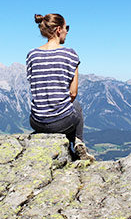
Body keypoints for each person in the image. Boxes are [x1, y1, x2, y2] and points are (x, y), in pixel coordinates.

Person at [26, 13, 94, 161]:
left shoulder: (32, 55)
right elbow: (73, 93)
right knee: (76, 106)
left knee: (66, 110)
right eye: (66, 27)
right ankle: (78, 142)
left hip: (36, 122)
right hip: (60, 123)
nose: (67, 31)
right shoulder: (70, 54)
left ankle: (73, 145)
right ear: (58, 29)